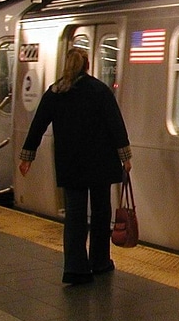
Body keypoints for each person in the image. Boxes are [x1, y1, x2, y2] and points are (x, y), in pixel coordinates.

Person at [19, 48, 132, 285]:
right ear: (87, 65)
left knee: (75, 215)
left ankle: (75, 268)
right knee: (101, 213)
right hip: (101, 162)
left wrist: (27, 156)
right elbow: (115, 125)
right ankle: (100, 262)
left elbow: (38, 124)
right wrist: (125, 156)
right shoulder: (100, 90)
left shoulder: (56, 92)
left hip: (71, 163)